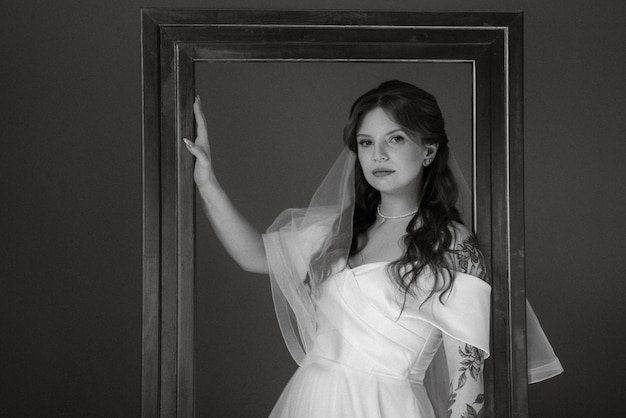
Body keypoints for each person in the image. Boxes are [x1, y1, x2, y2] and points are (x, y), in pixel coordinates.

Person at [183, 80, 561, 417]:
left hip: (386, 405)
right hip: (310, 398)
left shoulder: (451, 244)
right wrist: (207, 181)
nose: (377, 155)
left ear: (428, 151)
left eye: (395, 139)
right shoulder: (337, 230)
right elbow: (255, 255)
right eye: (366, 143)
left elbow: (467, 375)